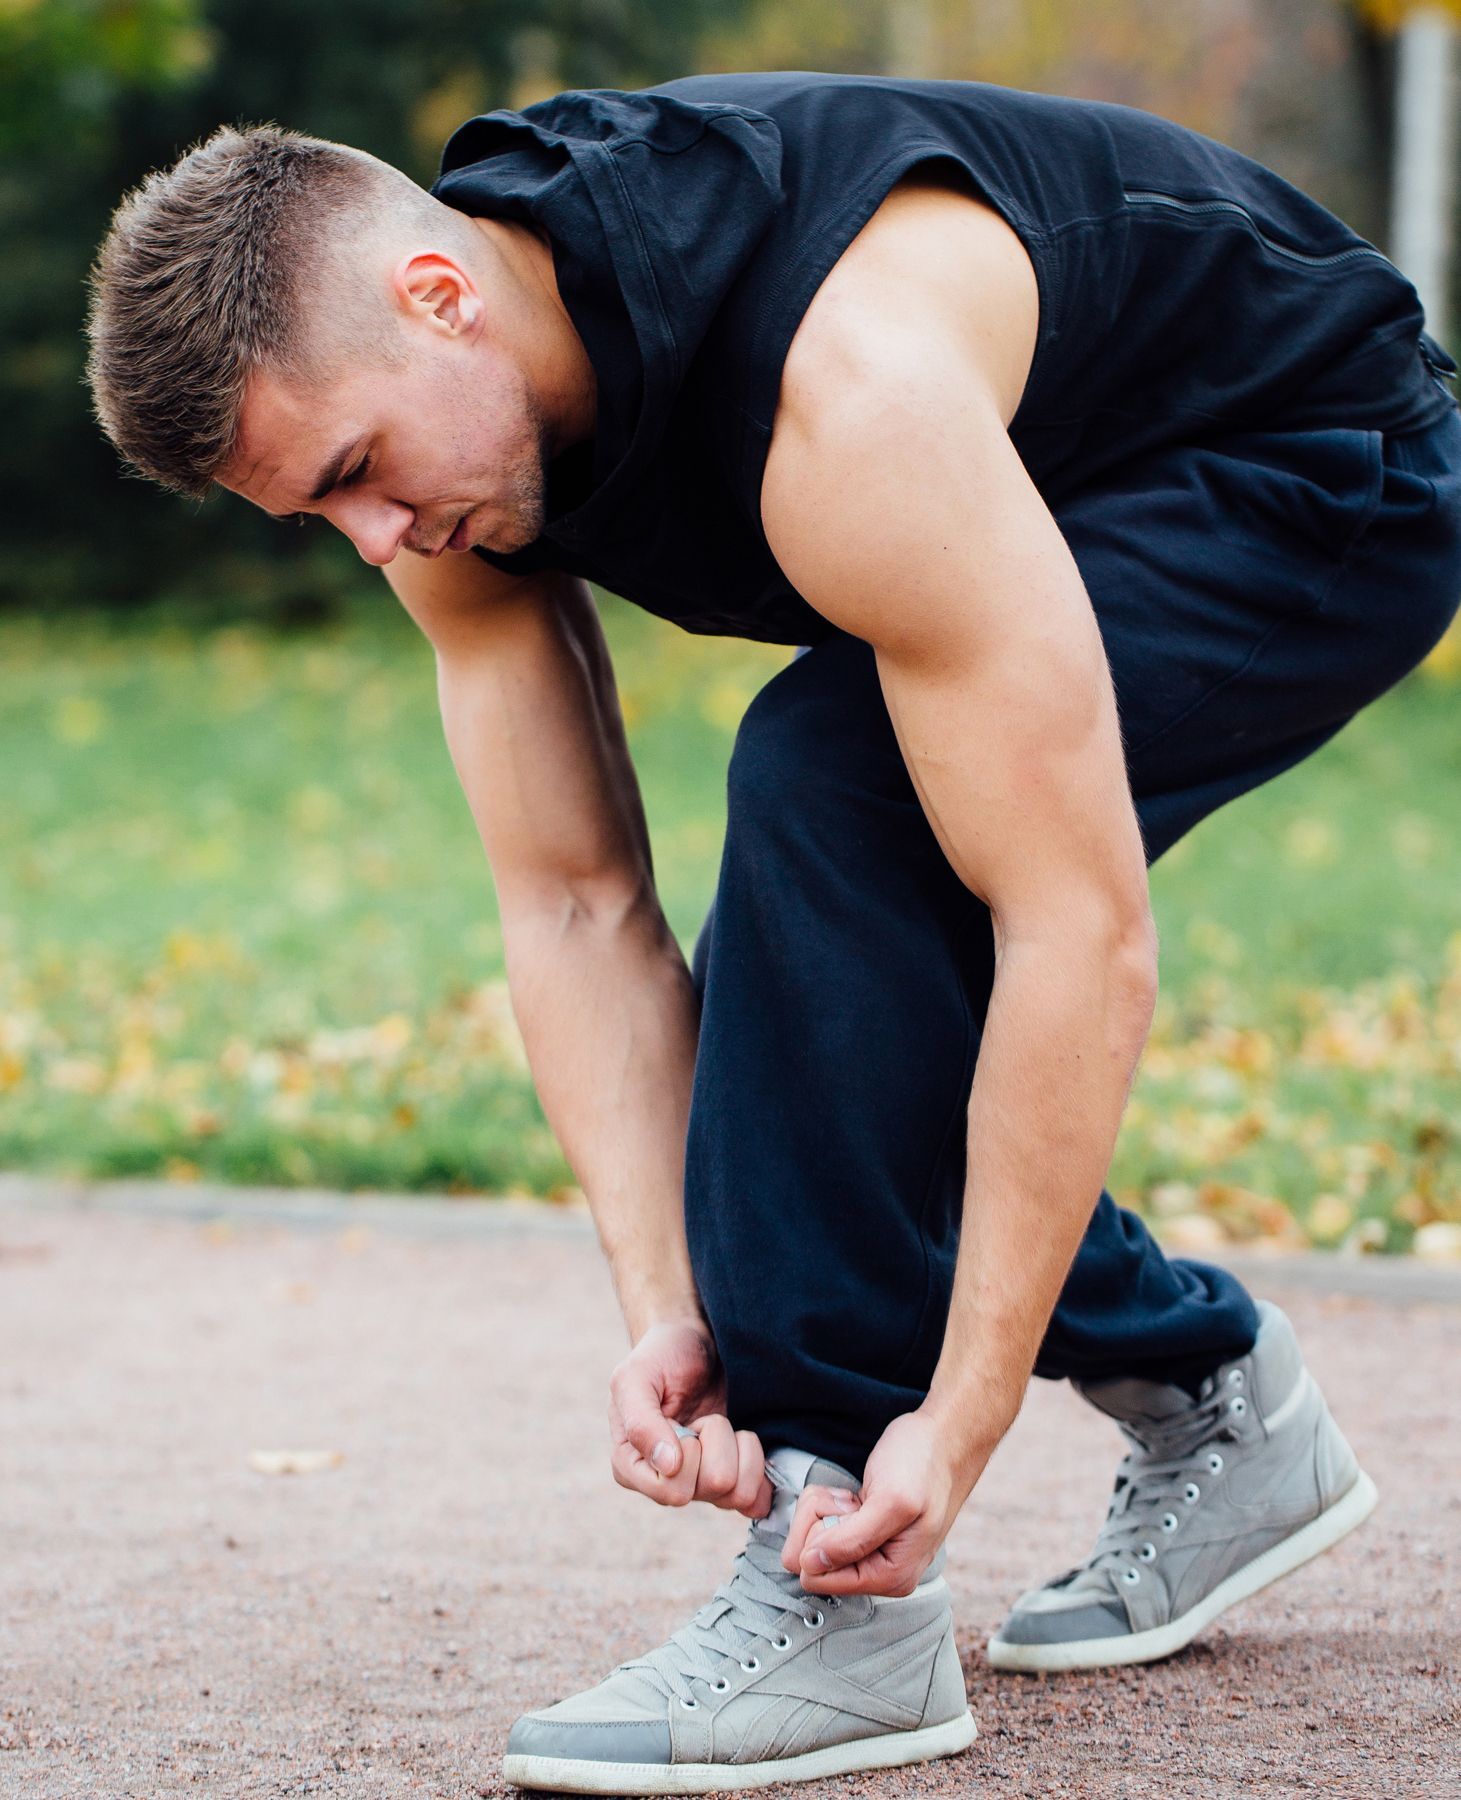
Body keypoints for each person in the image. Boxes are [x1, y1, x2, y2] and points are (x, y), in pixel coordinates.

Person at [85, 69, 1460, 1795]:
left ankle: (841, 1587)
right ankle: (1208, 1390)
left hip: (1304, 459)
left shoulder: (844, 374)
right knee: (803, 1026)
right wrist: (675, 1307)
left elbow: (1074, 927)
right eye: (318, 514)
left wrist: (946, 1428)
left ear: (436, 296)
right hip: (1031, 483)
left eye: (358, 474)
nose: (373, 542)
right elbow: (572, 901)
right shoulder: (445, 438)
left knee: (827, 784)